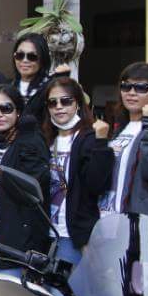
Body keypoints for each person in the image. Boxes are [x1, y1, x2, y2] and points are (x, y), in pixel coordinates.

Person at [0, 85, 51, 274]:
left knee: (9, 289)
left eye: (6, 108)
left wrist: (27, 136)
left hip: (15, 236)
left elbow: (35, 185)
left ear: (18, 112)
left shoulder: (30, 141)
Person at [41, 77, 113, 265]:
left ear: (78, 104)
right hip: (47, 233)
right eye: (52, 102)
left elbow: (97, 184)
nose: (59, 107)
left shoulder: (89, 137)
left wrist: (101, 143)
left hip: (74, 235)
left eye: (66, 101)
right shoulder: (46, 140)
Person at [99, 62, 148, 218]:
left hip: (137, 220)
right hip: (108, 217)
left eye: (141, 88)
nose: (131, 93)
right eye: (126, 86)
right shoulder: (121, 126)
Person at [11, 33, 52, 103]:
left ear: (43, 59)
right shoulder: (9, 86)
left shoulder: (51, 89)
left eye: (32, 56)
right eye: (20, 55)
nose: (25, 60)